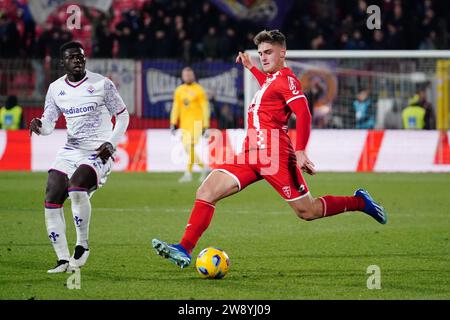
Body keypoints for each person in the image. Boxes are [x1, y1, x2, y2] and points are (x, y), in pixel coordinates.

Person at [152, 30, 387, 269]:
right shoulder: (273, 80)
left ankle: (359, 202)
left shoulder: (287, 80)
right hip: (250, 154)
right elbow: (270, 87)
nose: (263, 57)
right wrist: (250, 67)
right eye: (261, 53)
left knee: (308, 211)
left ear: (282, 53)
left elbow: (303, 112)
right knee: (207, 190)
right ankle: (184, 249)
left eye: (268, 52)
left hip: (275, 156)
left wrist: (301, 150)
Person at [29, 41, 129, 273]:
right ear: (63, 62)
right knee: (52, 193)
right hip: (71, 149)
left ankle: (82, 245)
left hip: (98, 151)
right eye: (72, 57)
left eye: (81, 57)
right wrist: (39, 125)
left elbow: (123, 117)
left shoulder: (102, 84)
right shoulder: (55, 89)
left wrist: (110, 144)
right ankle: (63, 260)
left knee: (76, 187)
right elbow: (49, 123)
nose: (78, 60)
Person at [170, 66, 210, 183]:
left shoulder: (199, 90)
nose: (187, 77)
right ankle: (204, 169)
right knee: (189, 149)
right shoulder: (179, 90)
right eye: (185, 75)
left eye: (189, 75)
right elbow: (176, 108)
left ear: (193, 76)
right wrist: (173, 122)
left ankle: (188, 173)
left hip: (197, 123)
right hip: (184, 125)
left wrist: (205, 125)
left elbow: (205, 108)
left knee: (189, 147)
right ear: (182, 77)